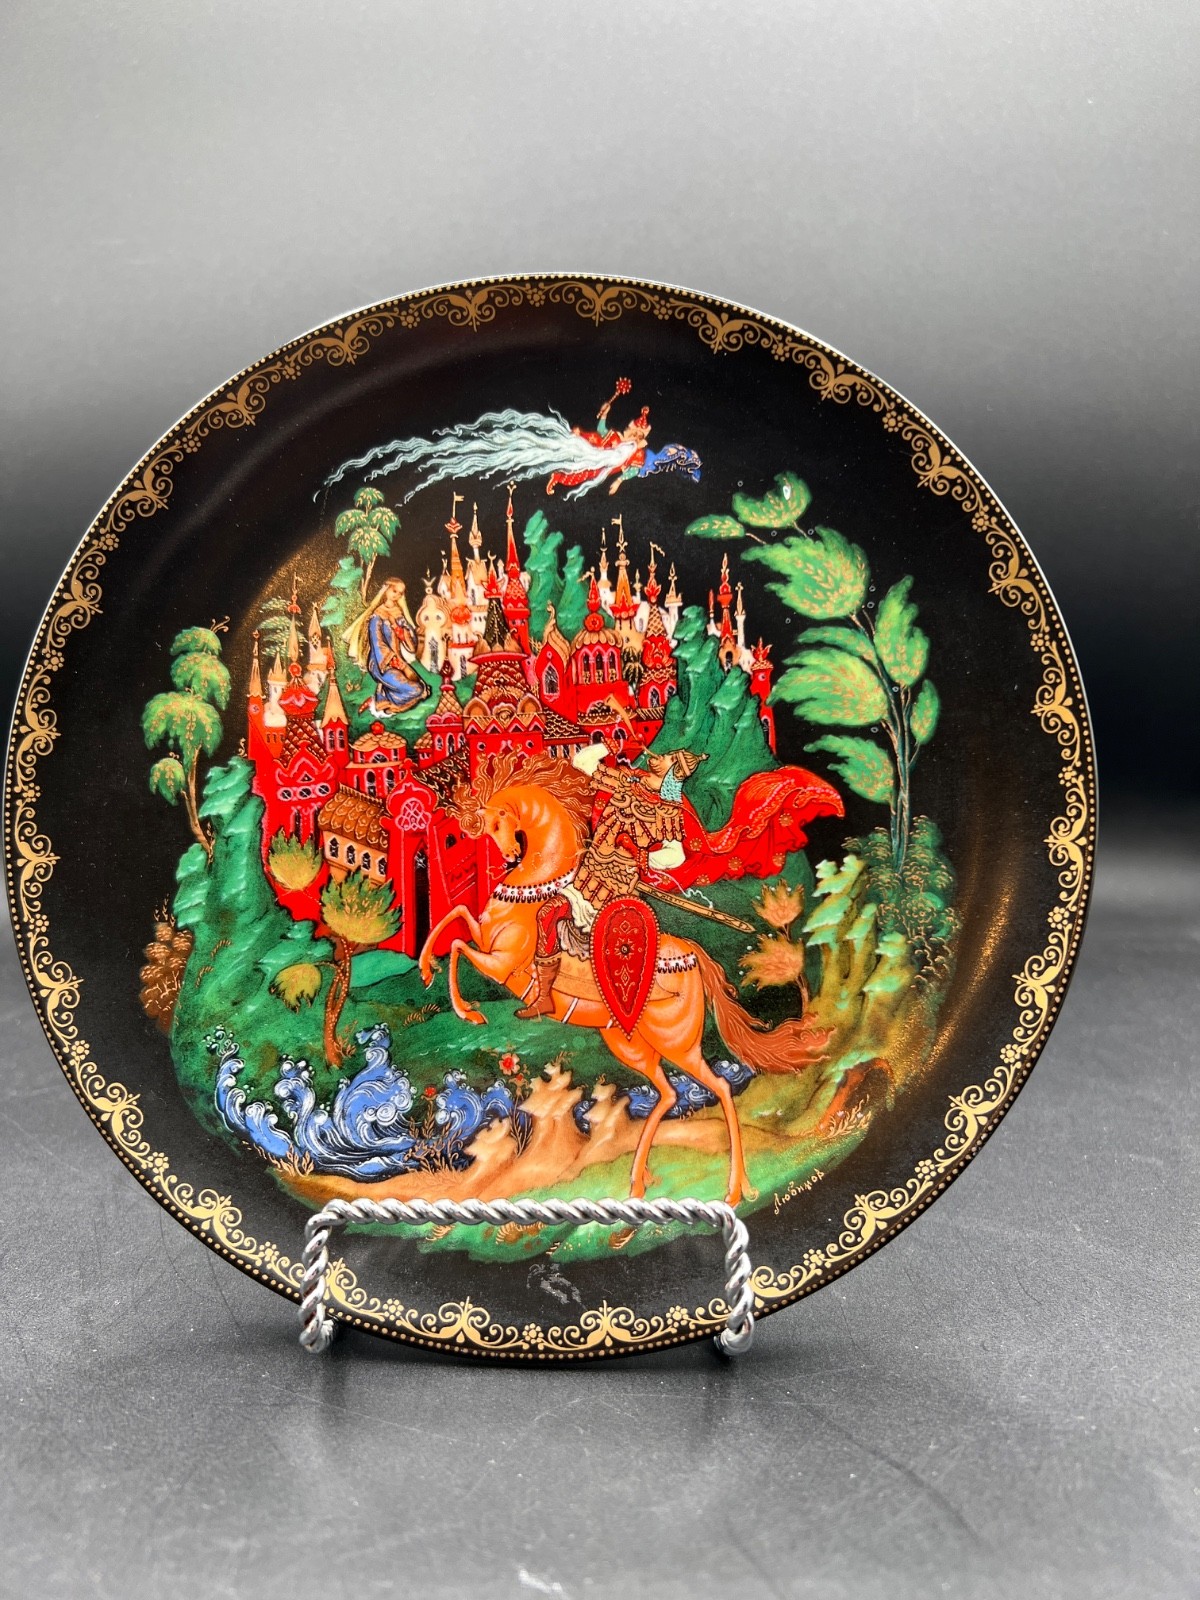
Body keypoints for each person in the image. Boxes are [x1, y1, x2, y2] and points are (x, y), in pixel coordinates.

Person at [515, 748, 706, 1019]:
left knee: (612, 950)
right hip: (586, 879)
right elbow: (582, 762)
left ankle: (621, 1008)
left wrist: (639, 855)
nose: (660, 757)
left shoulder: (667, 811)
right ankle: (545, 998)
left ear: (675, 771)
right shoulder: (627, 782)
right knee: (547, 914)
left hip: (617, 891)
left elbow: (676, 856)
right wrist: (609, 746)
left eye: (669, 758)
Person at [343, 578, 428, 714]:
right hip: (381, 663)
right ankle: (383, 700)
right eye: (394, 591)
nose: (397, 595)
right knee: (417, 690)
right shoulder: (377, 616)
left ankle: (382, 697)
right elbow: (377, 643)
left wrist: (400, 631)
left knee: (421, 686)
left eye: (400, 593)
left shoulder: (398, 613)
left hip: (398, 661)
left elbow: (411, 642)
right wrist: (390, 660)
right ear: (386, 589)